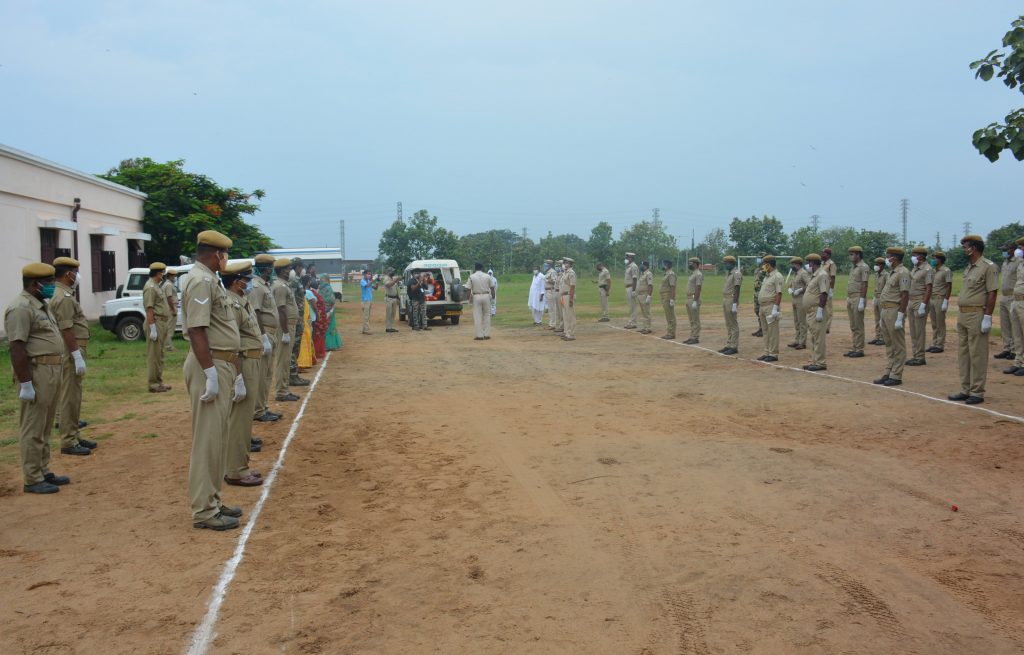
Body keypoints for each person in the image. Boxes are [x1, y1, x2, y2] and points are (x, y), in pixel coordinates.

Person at [181, 230, 243, 531]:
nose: (226, 259)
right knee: (207, 440)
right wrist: (209, 373)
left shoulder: (208, 279)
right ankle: (204, 510)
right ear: (216, 254)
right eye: (225, 254)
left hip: (221, 363)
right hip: (212, 363)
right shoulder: (201, 280)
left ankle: (213, 500)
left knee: (216, 438)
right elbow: (197, 329)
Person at [5, 262, 71, 494]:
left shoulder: (41, 305)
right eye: (48, 282)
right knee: (33, 425)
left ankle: (42, 470)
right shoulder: (21, 308)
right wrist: (25, 383)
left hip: (52, 370)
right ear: (35, 284)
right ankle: (32, 477)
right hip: (36, 371)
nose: (52, 286)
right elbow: (17, 347)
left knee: (44, 424)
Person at [222, 262, 263, 487]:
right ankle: (235, 470)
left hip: (252, 361)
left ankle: (241, 464)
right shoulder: (230, 303)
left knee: (245, 418)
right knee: (239, 419)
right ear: (237, 282)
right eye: (246, 280)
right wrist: (237, 377)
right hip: (243, 362)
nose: (249, 284)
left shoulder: (241, 300)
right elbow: (233, 343)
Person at [50, 257, 94, 456]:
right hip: (70, 351)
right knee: (70, 396)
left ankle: (74, 434)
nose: (77, 276)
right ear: (68, 274)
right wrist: (76, 355)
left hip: (72, 349)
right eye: (75, 272)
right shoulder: (63, 297)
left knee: (74, 395)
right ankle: (69, 440)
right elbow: (66, 328)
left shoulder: (64, 293)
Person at [949, 235, 998, 404]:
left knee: (977, 354)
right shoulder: (969, 267)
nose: (964, 249)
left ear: (974, 248)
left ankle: (977, 391)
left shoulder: (988, 267)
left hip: (977, 314)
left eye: (966, 246)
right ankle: (965, 388)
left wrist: (987, 317)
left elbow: (992, 293)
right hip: (963, 314)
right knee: (963, 353)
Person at [874, 247, 911, 387]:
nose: (886, 259)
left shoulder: (903, 272)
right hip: (885, 310)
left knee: (898, 344)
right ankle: (889, 371)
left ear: (894, 258)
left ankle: (896, 375)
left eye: (888, 256)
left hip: (894, 311)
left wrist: (900, 316)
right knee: (889, 344)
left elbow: (904, 295)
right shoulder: (892, 273)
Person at [250, 254, 281, 423]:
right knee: (262, 374)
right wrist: (263, 337)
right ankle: (258, 409)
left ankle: (263, 406)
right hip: (265, 332)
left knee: (268, 373)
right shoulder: (256, 286)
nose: (272, 271)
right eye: (270, 268)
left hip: (271, 332)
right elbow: (256, 313)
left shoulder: (264, 285)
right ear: (266, 269)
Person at [271, 258, 299, 403]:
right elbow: (281, 309)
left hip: (289, 325)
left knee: (286, 359)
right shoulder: (280, 286)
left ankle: (284, 388)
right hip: (285, 326)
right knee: (283, 359)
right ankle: (281, 391)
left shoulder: (283, 284)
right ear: (282, 270)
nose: (290, 271)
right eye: (288, 269)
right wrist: (286, 332)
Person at [144, 262, 172, 393]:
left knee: (160, 353)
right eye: (162, 272)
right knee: (154, 355)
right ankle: (153, 383)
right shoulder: (150, 287)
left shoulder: (156, 286)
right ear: (157, 273)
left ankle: (159, 381)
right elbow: (149, 308)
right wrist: (152, 328)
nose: (163, 275)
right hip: (155, 322)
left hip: (162, 322)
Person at [905, 246, 934, 367]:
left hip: (920, 301)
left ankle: (920, 357)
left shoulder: (927, 269)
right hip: (911, 301)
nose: (912, 257)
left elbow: (929, 288)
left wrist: (924, 304)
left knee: (919, 331)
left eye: (914, 254)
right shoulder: (915, 269)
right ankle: (915, 354)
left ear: (921, 256)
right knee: (913, 330)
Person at [802, 253, 830, 371]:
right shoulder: (815, 275)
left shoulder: (822, 274)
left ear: (813, 263)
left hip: (816, 310)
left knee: (819, 338)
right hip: (810, 311)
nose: (808, 265)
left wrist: (820, 310)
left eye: (809, 262)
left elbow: (824, 293)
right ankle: (815, 360)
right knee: (814, 337)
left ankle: (820, 362)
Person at [844, 246, 870, 359]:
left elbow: (864, 284)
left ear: (858, 255)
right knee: (853, 325)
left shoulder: (863, 267)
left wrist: (862, 300)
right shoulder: (853, 267)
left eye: (852, 254)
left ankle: (859, 349)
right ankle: (855, 347)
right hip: (851, 298)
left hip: (857, 298)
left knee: (858, 325)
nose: (850, 256)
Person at [995, 241, 1019, 360]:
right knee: (1005, 325)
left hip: (1013, 296)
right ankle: (1007, 348)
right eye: (1003, 250)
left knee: (1014, 325)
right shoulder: (1005, 263)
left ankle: (1015, 350)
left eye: (1006, 249)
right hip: (1003, 296)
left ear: (1013, 250)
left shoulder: (1018, 262)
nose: (1004, 252)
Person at [757, 255, 783, 362]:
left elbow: (779, 293)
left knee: (773, 332)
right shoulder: (767, 276)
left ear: (769, 264)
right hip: (762, 306)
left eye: (764, 264)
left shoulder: (777, 276)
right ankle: (766, 352)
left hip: (771, 305)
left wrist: (775, 308)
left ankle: (773, 354)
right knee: (766, 331)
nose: (763, 266)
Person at [287, 259, 310, 386]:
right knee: (294, 347)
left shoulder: (296, 279)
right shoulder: (294, 281)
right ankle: (292, 375)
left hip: (299, 317)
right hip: (295, 318)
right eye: (302, 267)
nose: (303, 270)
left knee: (296, 347)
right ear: (298, 267)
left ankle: (293, 374)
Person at [1005, 238, 1024, 377]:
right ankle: (1019, 362)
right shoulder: (1021, 264)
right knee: (1017, 335)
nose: (1019, 249)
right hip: (1016, 301)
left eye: (1021, 246)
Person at [927, 251, 952, 354]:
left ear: (940, 259)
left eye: (935, 258)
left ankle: (940, 344)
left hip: (940, 298)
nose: (933, 260)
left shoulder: (946, 270)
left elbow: (948, 286)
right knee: (934, 322)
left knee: (940, 322)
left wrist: (946, 300)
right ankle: (935, 342)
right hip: (932, 298)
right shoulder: (933, 271)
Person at [786, 257, 810, 351]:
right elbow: (792, 284)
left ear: (798, 264)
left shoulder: (803, 273)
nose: (792, 266)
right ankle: (797, 340)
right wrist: (790, 288)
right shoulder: (795, 274)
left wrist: (801, 290)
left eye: (793, 264)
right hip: (794, 299)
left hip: (801, 299)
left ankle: (802, 342)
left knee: (802, 321)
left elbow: (809, 284)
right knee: (796, 321)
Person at [720, 255, 742, 355]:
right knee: (728, 323)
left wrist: (734, 303)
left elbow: (737, 288)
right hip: (725, 298)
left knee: (733, 324)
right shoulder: (728, 273)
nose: (725, 265)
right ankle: (729, 344)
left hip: (731, 299)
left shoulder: (736, 273)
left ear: (732, 263)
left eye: (726, 263)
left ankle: (734, 346)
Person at [467, 262, 494, 340]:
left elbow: (468, 289)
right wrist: (493, 298)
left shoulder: (471, 277)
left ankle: (479, 335)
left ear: (475, 268)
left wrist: (469, 298)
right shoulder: (487, 276)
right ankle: (487, 334)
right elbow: (492, 288)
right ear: (482, 268)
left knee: (477, 316)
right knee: (487, 315)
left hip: (476, 296)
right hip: (486, 296)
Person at [869, 257, 890, 346]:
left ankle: (883, 337)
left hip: (883, 298)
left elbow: (887, 288)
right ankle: (878, 336)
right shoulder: (876, 274)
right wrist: (874, 297)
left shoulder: (886, 275)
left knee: (883, 319)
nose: (876, 266)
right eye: (875, 264)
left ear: (882, 265)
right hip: (876, 297)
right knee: (877, 319)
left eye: (877, 264)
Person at [298, 278, 318, 370]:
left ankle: (307, 361)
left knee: (309, 340)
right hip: (305, 322)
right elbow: (314, 306)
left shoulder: (304, 296)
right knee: (305, 341)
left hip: (307, 320)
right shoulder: (307, 294)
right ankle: (302, 363)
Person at [320, 274, 342, 350]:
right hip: (330, 309)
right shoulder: (328, 287)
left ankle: (323, 345)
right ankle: (331, 345)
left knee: (323, 327)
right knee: (330, 326)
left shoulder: (320, 288)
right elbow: (332, 300)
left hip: (321, 310)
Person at [684, 257, 703, 344]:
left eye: (690, 263)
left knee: (695, 319)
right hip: (689, 298)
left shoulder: (698, 274)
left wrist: (695, 300)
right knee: (691, 319)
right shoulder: (693, 274)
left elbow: (698, 288)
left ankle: (695, 337)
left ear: (695, 264)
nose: (689, 265)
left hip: (693, 298)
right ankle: (692, 336)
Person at [660, 259, 677, 340]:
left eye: (663, 264)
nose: (662, 266)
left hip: (668, 296)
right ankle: (669, 332)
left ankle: (671, 333)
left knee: (670, 316)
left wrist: (672, 299)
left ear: (667, 265)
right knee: (668, 316)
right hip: (664, 296)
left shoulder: (671, 274)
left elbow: (673, 287)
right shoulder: (666, 274)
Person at [561, 257, 578, 341]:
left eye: (567, 262)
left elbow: (572, 286)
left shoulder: (571, 273)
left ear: (570, 264)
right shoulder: (565, 272)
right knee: (565, 315)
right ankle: (567, 333)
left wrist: (571, 298)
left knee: (570, 315)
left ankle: (571, 334)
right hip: (563, 295)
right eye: (564, 262)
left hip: (568, 295)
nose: (565, 264)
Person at [310, 278, 327, 360]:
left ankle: (317, 352)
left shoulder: (314, 293)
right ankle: (317, 352)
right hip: (319, 317)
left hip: (318, 317)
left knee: (317, 334)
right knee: (317, 335)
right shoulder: (314, 293)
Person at [821, 247, 837, 334]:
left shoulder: (831, 264)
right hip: (821, 288)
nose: (822, 255)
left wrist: (831, 289)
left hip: (827, 288)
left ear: (828, 255)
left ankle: (827, 327)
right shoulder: (822, 263)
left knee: (828, 309)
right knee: (822, 306)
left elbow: (833, 277)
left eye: (824, 253)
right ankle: (823, 324)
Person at [636, 261, 654, 334]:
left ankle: (648, 328)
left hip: (645, 295)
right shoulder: (642, 274)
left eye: (642, 265)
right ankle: (644, 327)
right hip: (640, 295)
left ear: (646, 266)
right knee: (643, 312)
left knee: (647, 312)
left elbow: (650, 285)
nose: (641, 266)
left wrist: (649, 296)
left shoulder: (648, 274)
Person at [163, 268, 178, 352]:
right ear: (170, 276)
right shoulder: (168, 285)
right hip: (170, 307)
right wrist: (173, 309)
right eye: (174, 276)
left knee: (168, 327)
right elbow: (169, 298)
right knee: (170, 328)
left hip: (168, 307)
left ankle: (167, 345)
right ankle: (168, 346)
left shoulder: (167, 284)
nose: (175, 278)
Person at [381, 267, 401, 333]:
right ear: (389, 272)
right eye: (392, 271)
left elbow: (396, 289)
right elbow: (389, 285)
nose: (394, 272)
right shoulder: (386, 278)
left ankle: (391, 327)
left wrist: (398, 297)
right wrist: (395, 280)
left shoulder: (392, 278)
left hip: (394, 298)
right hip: (389, 298)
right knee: (389, 313)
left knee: (393, 314)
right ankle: (388, 327)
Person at [751, 253, 766, 337]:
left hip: (762, 292)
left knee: (762, 311)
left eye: (760, 258)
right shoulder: (757, 269)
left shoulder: (766, 268)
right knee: (757, 310)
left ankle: (764, 329)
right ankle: (760, 328)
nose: (758, 259)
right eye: (758, 258)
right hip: (756, 293)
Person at [624, 252, 639, 329]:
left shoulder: (633, 266)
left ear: (631, 258)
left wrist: (633, 290)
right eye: (626, 257)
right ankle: (631, 321)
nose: (626, 259)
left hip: (631, 287)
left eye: (628, 257)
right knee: (631, 306)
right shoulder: (628, 266)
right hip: (628, 287)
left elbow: (635, 279)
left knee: (633, 306)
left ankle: (633, 323)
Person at [360, 269, 376, 335]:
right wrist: (372, 280)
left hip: (369, 300)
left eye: (370, 274)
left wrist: (377, 282)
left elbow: (375, 288)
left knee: (367, 316)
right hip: (365, 301)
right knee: (366, 316)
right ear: (364, 274)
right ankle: (366, 330)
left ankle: (364, 329)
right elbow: (366, 286)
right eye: (368, 274)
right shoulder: (362, 281)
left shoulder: (369, 281)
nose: (369, 275)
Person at [543, 260, 558, 329]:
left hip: (551, 291)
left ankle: (553, 324)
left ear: (549, 265)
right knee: (550, 309)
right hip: (547, 291)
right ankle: (551, 323)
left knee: (552, 308)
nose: (544, 266)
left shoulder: (553, 272)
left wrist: (547, 280)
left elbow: (555, 281)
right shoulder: (547, 272)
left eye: (546, 265)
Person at [553, 260, 565, 334]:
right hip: (556, 292)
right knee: (558, 311)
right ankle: (561, 325)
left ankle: (563, 326)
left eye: (558, 265)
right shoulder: (558, 274)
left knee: (561, 310)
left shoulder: (563, 274)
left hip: (560, 293)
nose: (556, 267)